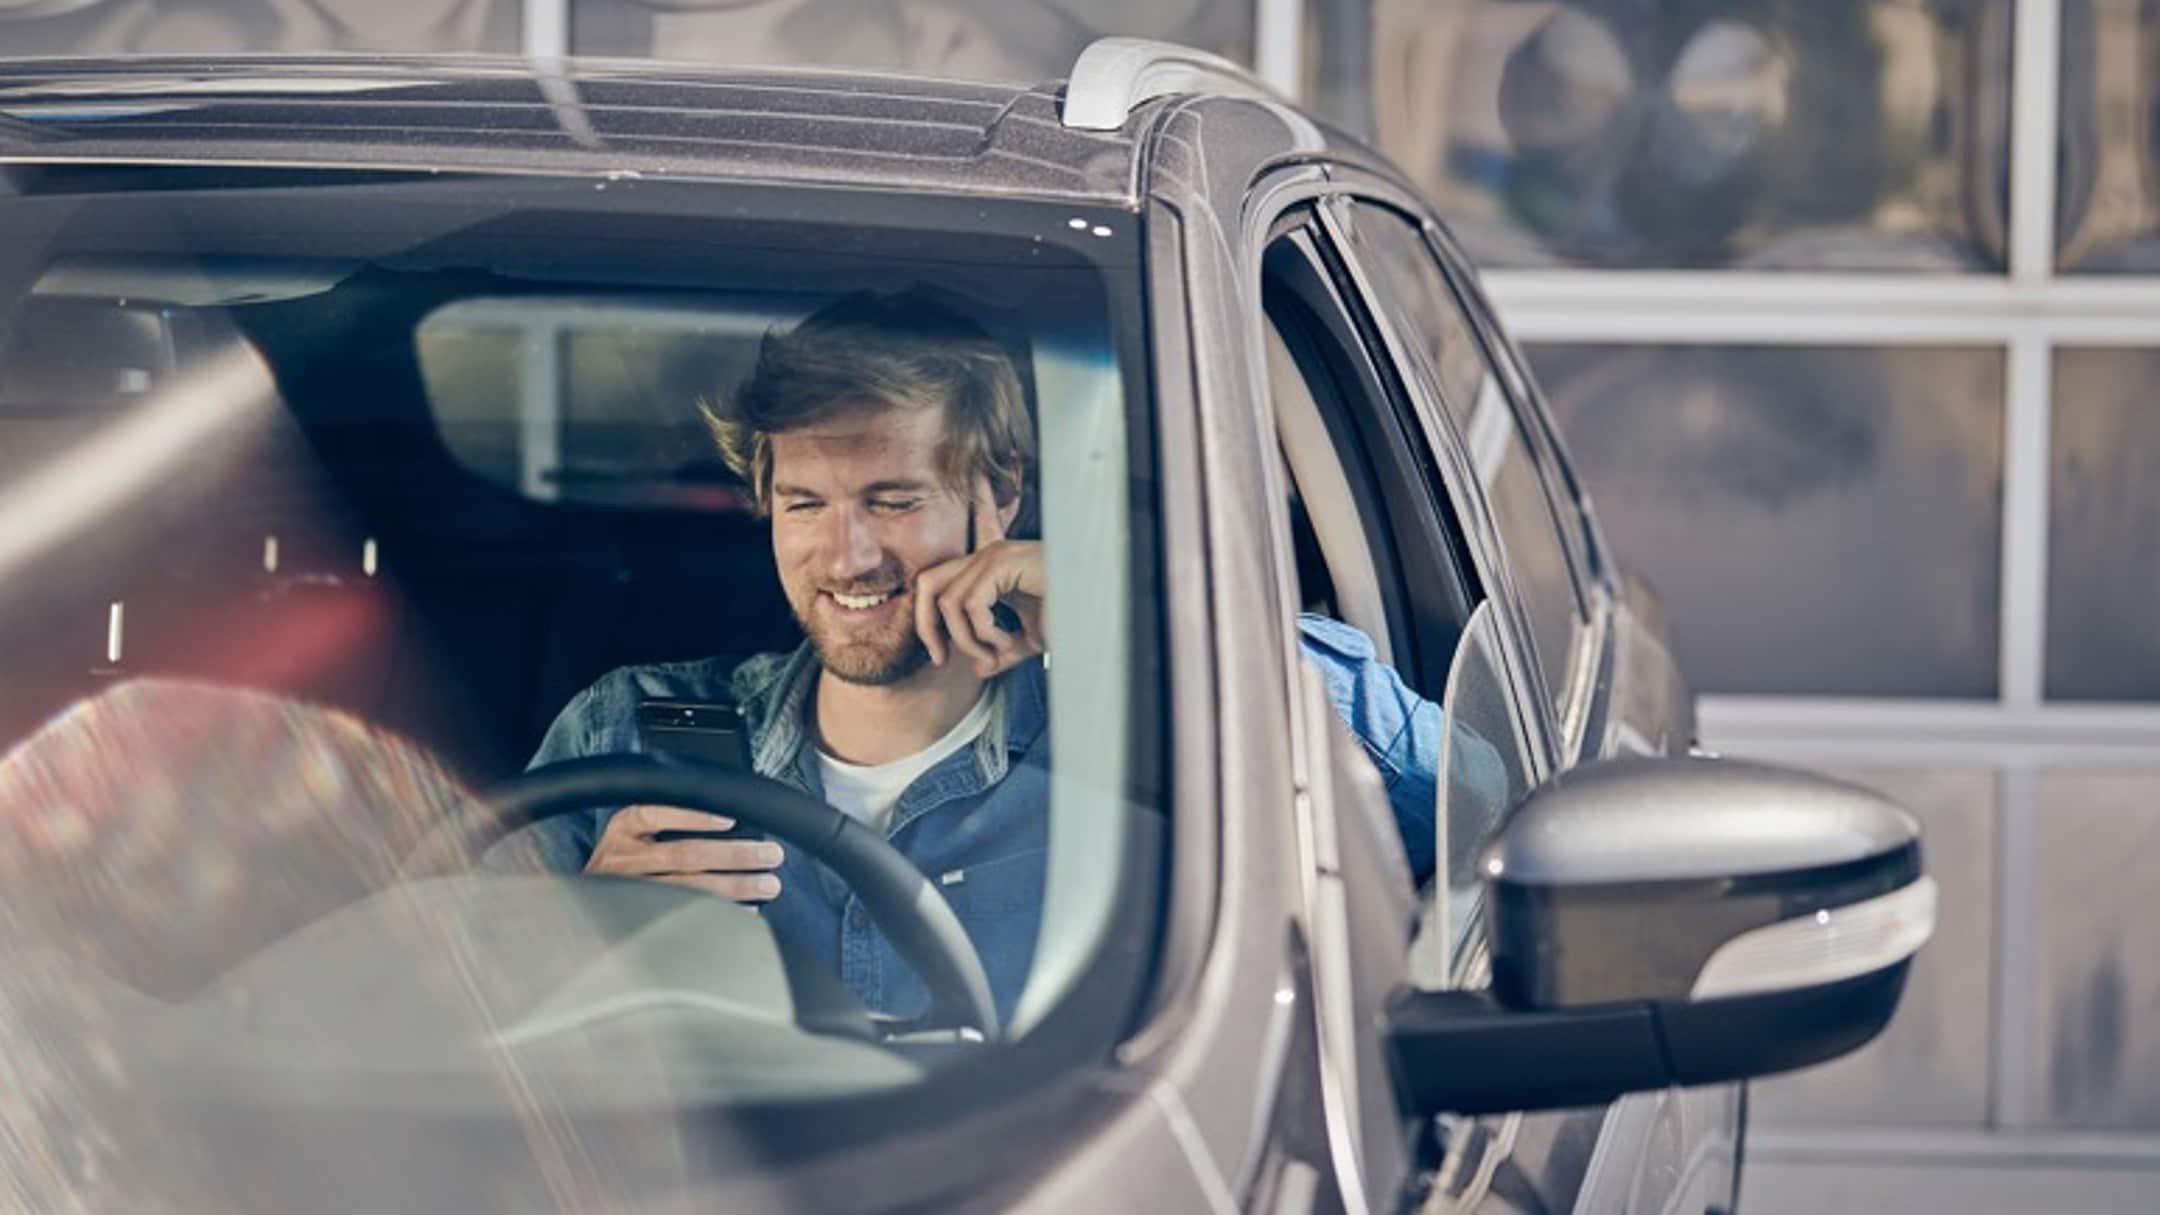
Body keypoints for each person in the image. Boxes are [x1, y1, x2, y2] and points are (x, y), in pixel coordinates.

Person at [516, 287, 1481, 1024]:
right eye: (806, 504)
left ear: (1001, 494)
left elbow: (1483, 804)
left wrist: (1125, 618)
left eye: (892, 500)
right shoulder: (627, 730)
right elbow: (433, 1008)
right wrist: (578, 933)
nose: (846, 556)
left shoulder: (1170, 723)